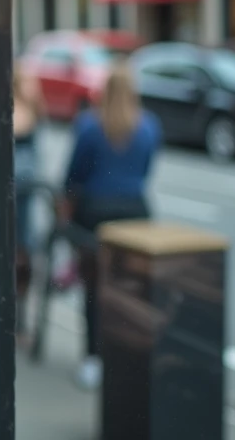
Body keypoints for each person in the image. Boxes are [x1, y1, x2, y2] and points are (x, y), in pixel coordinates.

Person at [59, 63, 161, 390]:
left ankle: (93, 359)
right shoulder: (148, 126)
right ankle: (128, 354)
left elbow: (74, 175)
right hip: (136, 211)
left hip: (96, 212)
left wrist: (66, 212)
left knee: (94, 288)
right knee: (130, 289)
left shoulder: (90, 125)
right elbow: (145, 171)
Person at [11, 61, 45, 315]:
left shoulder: (32, 109)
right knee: (17, 249)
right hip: (13, 191)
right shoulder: (15, 111)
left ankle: (20, 313)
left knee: (25, 251)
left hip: (25, 192)